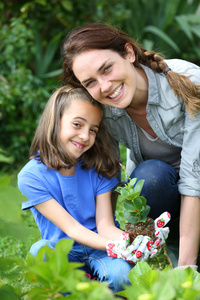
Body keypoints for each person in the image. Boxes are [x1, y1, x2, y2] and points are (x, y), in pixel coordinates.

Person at [61, 22, 200, 271]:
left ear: (129, 53)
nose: (104, 87)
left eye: (107, 69)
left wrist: (185, 272)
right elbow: (107, 177)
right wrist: (107, 250)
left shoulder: (188, 81)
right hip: (168, 193)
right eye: (90, 82)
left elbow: (193, 178)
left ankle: (188, 258)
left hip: (195, 186)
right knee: (149, 179)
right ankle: (178, 249)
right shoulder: (102, 111)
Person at [18, 85, 168, 293]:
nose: (85, 136)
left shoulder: (97, 167)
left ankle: (95, 286)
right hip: (64, 251)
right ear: (55, 121)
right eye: (77, 124)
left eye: (93, 130)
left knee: (121, 276)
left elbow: (105, 225)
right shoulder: (31, 176)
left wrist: (132, 241)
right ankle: (80, 288)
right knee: (39, 252)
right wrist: (116, 247)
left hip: (102, 247)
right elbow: (72, 228)